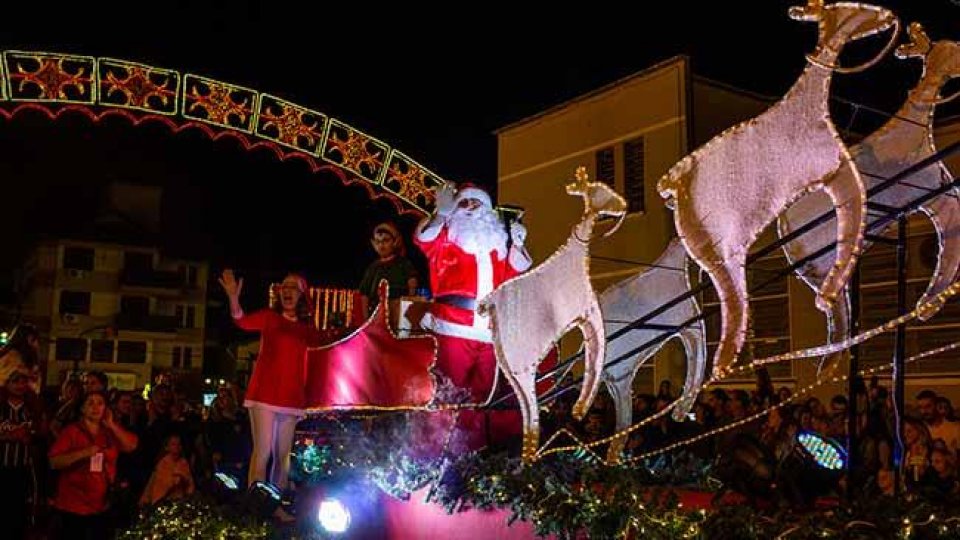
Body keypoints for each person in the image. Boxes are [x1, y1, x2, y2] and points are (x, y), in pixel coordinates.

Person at [413, 182, 532, 449]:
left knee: (482, 395)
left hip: (489, 332)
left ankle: (471, 452)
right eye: (463, 203)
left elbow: (514, 274)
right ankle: (438, 451)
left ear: (487, 209)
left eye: (475, 203)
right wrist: (441, 214)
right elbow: (424, 240)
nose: (468, 208)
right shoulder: (446, 238)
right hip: (453, 326)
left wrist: (518, 244)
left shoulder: (498, 246)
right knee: (448, 392)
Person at [219, 269, 320, 494]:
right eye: (284, 286)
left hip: (292, 398)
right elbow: (242, 321)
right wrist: (233, 298)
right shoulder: (269, 318)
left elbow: (325, 351)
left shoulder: (307, 330)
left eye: (293, 287)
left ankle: (274, 506)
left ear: (303, 295)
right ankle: (255, 507)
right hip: (264, 394)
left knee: (283, 457)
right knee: (262, 452)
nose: (288, 290)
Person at [48, 390, 138, 540]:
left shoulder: (109, 432)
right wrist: (83, 453)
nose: (95, 407)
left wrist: (111, 424)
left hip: (102, 504)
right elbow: (54, 461)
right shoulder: (72, 431)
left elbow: (131, 446)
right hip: (74, 505)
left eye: (100, 403)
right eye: (90, 403)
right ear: (82, 409)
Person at [358, 221, 420, 315]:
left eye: (386, 240)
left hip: (398, 308)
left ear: (395, 242)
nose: (381, 245)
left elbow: (412, 283)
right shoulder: (373, 267)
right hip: (377, 311)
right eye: (378, 242)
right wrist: (366, 318)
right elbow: (364, 295)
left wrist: (407, 305)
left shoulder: (402, 263)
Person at [139, 433, 194, 506]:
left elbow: (190, 482)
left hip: (179, 501)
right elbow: (160, 485)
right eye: (173, 444)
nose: (177, 447)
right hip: (163, 502)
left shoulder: (184, 463)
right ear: (167, 447)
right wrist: (174, 480)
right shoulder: (162, 464)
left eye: (179, 444)